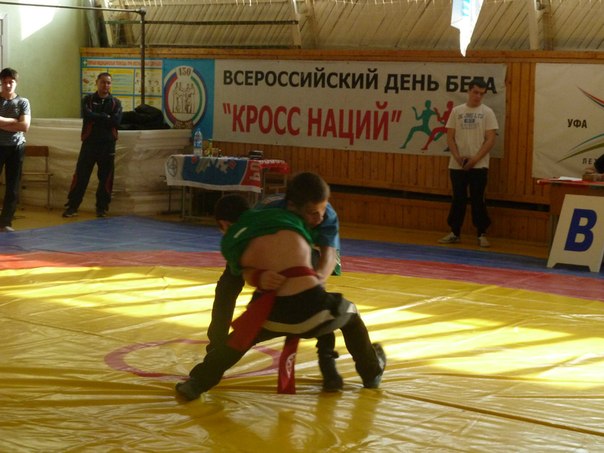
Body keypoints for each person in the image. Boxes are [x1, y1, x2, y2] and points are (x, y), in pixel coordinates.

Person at [175, 193, 386, 401]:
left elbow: (229, 289)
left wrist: (217, 345)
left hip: (270, 316)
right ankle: (361, 371)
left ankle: (198, 381)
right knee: (339, 311)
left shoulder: (245, 237)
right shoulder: (294, 222)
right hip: (310, 305)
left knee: (243, 335)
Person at [206, 172, 344, 392]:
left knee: (316, 300)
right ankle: (216, 348)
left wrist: (317, 281)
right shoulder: (263, 215)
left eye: (319, 213)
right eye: (312, 214)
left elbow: (329, 255)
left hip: (305, 255)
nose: (318, 218)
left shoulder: (324, 213)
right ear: (293, 207)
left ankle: (327, 362)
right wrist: (258, 274)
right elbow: (244, 260)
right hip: (265, 250)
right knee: (228, 285)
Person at [438, 78, 499, 248]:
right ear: (469, 91)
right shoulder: (457, 111)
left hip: (479, 164)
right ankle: (454, 232)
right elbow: (450, 137)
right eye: (475, 92)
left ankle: (481, 233)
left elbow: (490, 139)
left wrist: (475, 159)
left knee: (478, 199)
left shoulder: (487, 112)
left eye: (482, 94)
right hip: (457, 164)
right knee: (458, 198)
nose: (478, 96)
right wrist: (457, 157)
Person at [62, 72, 123, 218]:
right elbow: (87, 115)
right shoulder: (88, 100)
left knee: (106, 178)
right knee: (81, 176)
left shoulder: (116, 103)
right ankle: (72, 207)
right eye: (103, 82)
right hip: (89, 144)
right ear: (97, 83)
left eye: (108, 83)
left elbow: (116, 122)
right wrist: (105, 117)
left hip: (108, 145)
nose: (105, 85)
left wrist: (98, 118)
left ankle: (102, 208)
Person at [0, 68, 31, 232]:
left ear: (16, 83)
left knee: (12, 186)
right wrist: (13, 120)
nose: (7, 85)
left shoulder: (23, 102)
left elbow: (24, 126)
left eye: (10, 82)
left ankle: (5, 222)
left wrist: (2, 122)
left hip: (16, 148)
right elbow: (18, 123)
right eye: (4, 82)